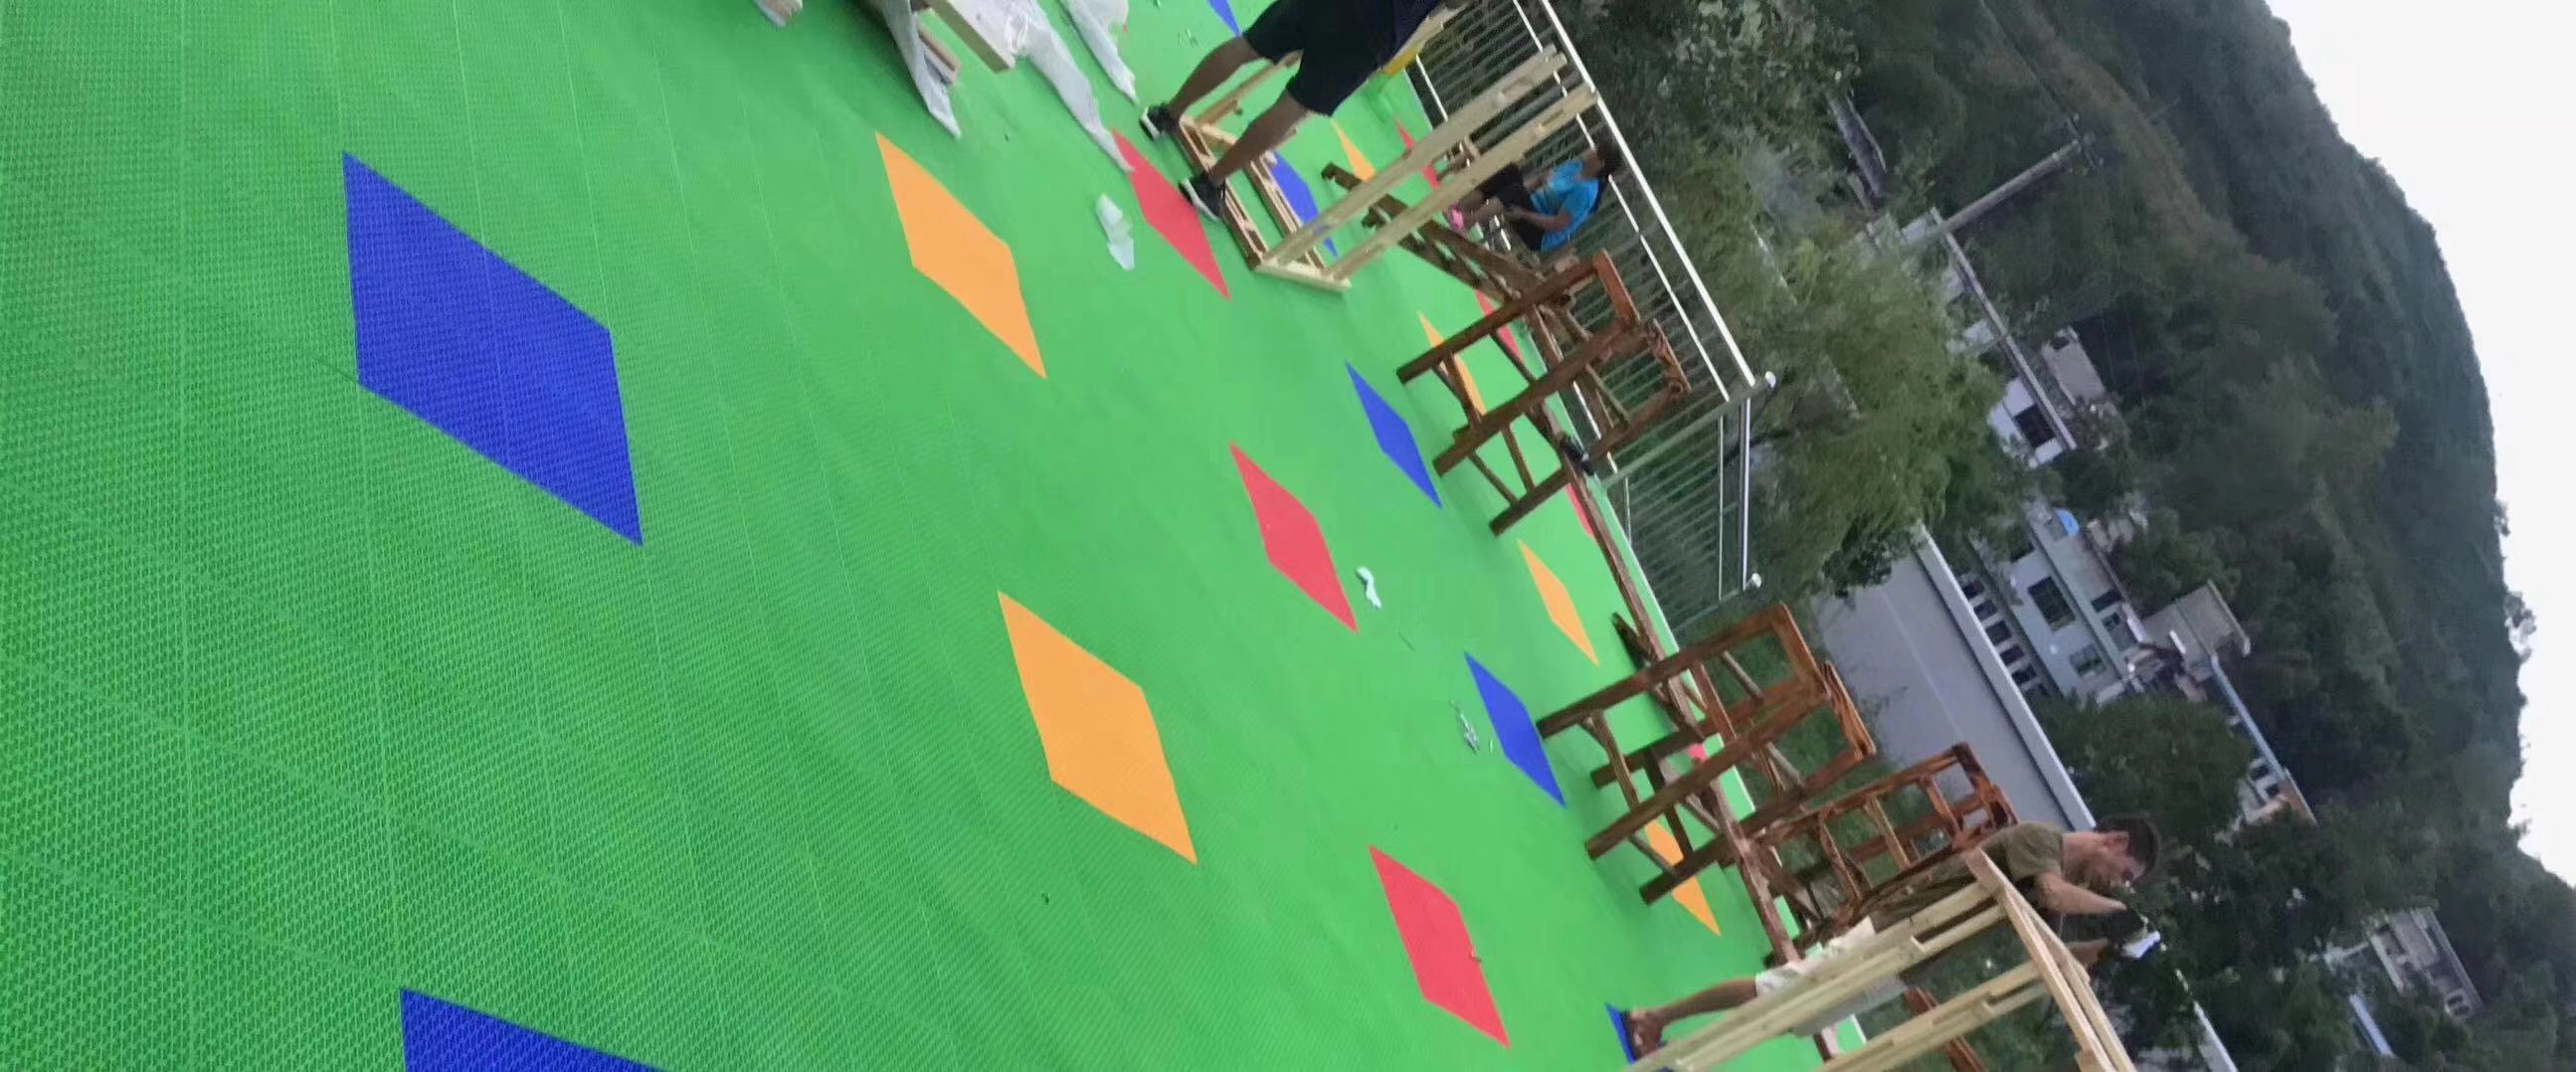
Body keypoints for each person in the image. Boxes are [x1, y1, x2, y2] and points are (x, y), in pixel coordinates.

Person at [1620, 814, 2163, 1057]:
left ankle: (1688, 1048)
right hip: (1896, 930)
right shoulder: (2043, 843)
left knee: (1796, 1016)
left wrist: (2106, 949)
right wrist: (2117, 910)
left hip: (1913, 961)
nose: (2117, 884)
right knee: (1781, 989)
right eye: (2124, 874)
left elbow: (2050, 945)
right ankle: (1656, 1020)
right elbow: (2053, 895)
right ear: (2114, 841)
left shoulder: (2064, 881)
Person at [1137, 0, 1460, 219]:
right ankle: (1209, 183)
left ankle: (1166, 115)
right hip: (1374, 30)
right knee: (1295, 105)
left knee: (1249, 46)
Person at [1454, 146, 1623, 256]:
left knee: (1515, 191)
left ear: (1600, 163)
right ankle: (1461, 208)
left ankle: (1467, 223)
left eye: (1595, 151)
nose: (1591, 151)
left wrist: (1523, 213)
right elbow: (1542, 179)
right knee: (1510, 172)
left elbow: (1557, 224)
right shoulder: (1576, 167)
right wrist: (1525, 190)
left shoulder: (1586, 192)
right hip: (1532, 206)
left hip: (1539, 232)